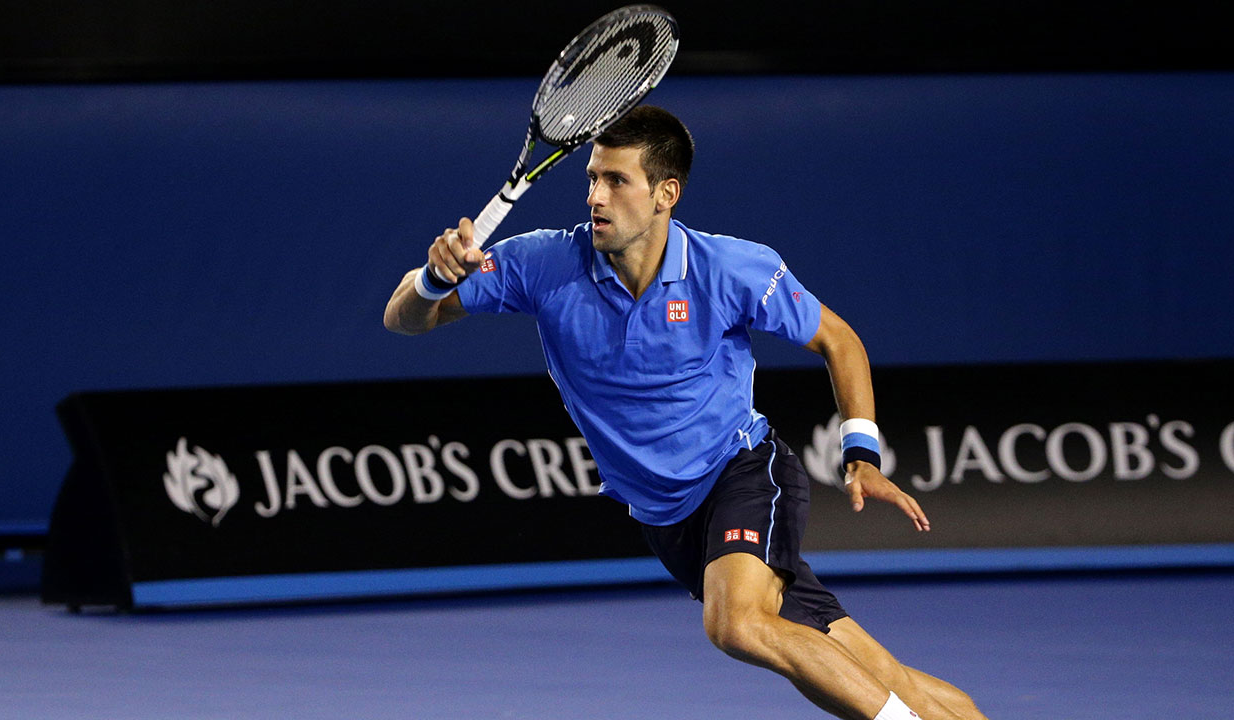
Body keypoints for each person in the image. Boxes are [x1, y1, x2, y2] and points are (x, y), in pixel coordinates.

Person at [384, 105, 987, 720]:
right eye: (592, 177)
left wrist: (861, 453)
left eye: (617, 181)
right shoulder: (542, 263)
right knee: (875, 671)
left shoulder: (728, 268)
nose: (596, 196)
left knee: (736, 625)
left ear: (665, 194)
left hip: (743, 472)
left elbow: (839, 339)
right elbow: (404, 318)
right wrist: (431, 281)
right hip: (666, 517)